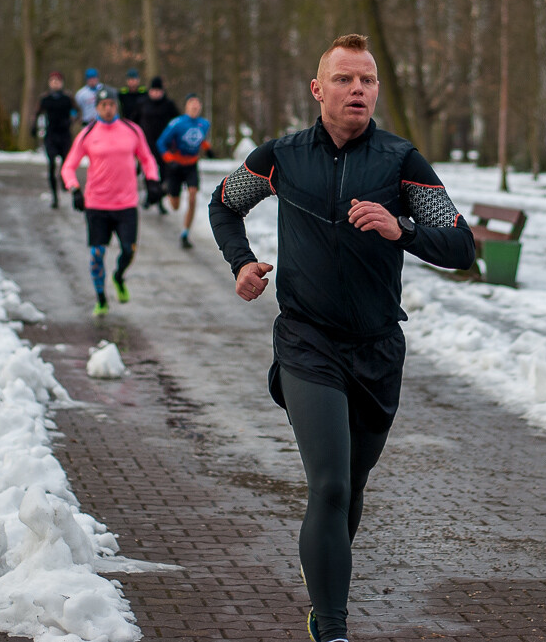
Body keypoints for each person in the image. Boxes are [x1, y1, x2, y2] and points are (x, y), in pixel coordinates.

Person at [209, 34, 475, 642]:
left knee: (349, 489)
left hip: (378, 349)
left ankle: (326, 589)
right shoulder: (280, 156)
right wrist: (241, 263)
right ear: (318, 88)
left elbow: (461, 247)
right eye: (345, 79)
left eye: (368, 80)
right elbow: (224, 205)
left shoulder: (400, 160)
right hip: (307, 342)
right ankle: (332, 627)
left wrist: (399, 227)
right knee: (328, 482)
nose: (358, 90)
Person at [61, 86, 160, 316]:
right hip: (96, 205)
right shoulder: (87, 134)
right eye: (103, 105)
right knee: (97, 254)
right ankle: (101, 298)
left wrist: (153, 181)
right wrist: (74, 188)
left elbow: (147, 158)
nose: (107, 109)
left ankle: (118, 276)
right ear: (96, 107)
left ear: (117, 106)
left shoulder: (132, 130)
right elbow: (68, 166)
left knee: (129, 250)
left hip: (126, 205)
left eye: (111, 105)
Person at [156, 94, 212, 248]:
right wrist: (169, 159)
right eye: (191, 103)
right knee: (175, 205)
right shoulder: (177, 124)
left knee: (193, 196)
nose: (194, 106)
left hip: (191, 165)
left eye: (197, 103)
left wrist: (208, 149)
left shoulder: (204, 124)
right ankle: (168, 189)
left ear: (200, 107)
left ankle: (185, 233)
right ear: (186, 106)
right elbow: (161, 142)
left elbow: (201, 139)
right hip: (175, 165)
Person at [31, 72, 78, 208]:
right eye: (53, 81)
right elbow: (37, 113)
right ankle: (54, 197)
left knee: (65, 164)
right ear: (49, 83)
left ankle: (64, 181)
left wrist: (71, 120)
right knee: (51, 164)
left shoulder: (68, 98)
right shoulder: (45, 99)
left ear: (62, 82)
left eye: (58, 81)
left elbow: (76, 111)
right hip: (51, 135)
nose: (55, 83)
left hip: (65, 135)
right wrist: (33, 127)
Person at [138, 76, 180, 214]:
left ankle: (160, 200)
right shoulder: (142, 103)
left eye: (158, 91)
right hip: (146, 143)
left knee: (164, 172)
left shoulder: (169, 104)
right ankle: (150, 195)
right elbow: (134, 121)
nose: (156, 94)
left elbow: (177, 122)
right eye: (153, 91)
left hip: (164, 145)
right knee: (148, 171)